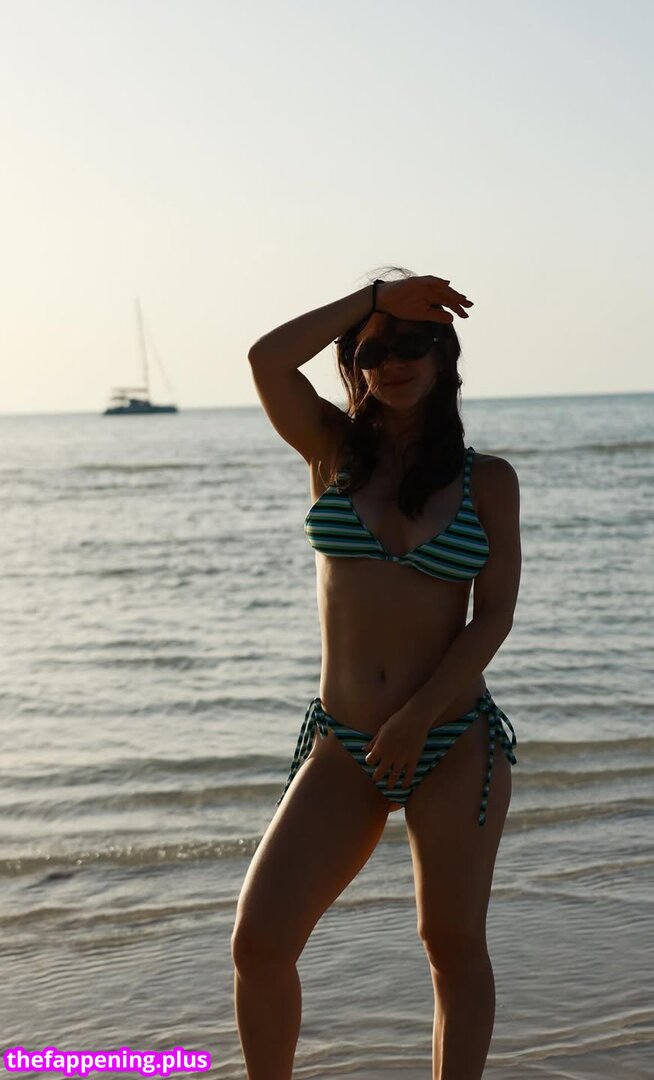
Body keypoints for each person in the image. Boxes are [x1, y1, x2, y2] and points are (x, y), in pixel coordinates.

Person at [233, 268, 522, 1079]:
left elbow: (492, 617)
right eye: (370, 352)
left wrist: (419, 717)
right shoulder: (330, 451)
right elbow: (265, 359)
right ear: (352, 367)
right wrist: (374, 298)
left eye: (411, 344)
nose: (391, 362)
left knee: (451, 943)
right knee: (259, 943)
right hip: (345, 743)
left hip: (451, 738)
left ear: (444, 357)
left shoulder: (488, 481)